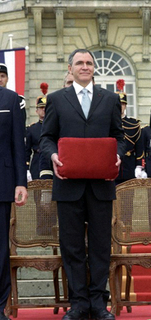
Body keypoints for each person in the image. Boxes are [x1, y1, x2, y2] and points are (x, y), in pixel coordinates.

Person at [40, 48, 126, 320]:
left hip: (101, 185)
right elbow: (46, 138)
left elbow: (120, 137)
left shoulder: (110, 99)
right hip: (68, 184)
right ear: (71, 68)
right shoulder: (56, 99)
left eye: (89, 63)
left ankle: (99, 304)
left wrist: (117, 154)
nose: (85, 67)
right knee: (72, 245)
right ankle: (78, 304)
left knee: (101, 245)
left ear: (94, 68)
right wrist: (53, 155)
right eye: (80, 63)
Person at [0, 85, 28, 320]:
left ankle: (0, 306)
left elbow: (18, 143)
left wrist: (21, 182)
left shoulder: (10, 99)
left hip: (2, 182)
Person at [115, 91, 146, 183]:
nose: (121, 106)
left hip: (129, 165)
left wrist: (139, 166)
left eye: (123, 104)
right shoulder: (108, 123)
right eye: (119, 104)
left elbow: (139, 147)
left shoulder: (134, 124)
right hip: (114, 163)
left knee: (129, 195)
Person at [25, 95, 47, 180]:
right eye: (41, 107)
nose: (44, 110)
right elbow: (27, 151)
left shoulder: (55, 127)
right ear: (37, 111)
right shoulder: (32, 129)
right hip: (36, 163)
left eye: (46, 107)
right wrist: (26, 168)